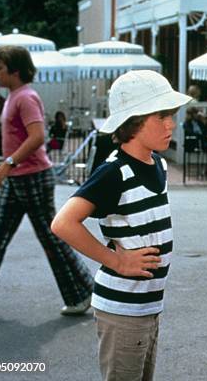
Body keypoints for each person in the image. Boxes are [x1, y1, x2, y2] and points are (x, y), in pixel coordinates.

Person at [51, 70, 192, 380]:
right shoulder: (114, 171)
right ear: (134, 120)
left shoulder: (158, 163)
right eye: (161, 116)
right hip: (122, 308)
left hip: (147, 305)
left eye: (171, 115)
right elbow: (63, 223)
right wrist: (116, 260)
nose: (171, 123)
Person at [0, 45, 93, 316]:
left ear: (15, 71)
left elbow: (37, 137)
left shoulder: (25, 97)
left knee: (51, 238)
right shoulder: (14, 96)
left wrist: (7, 165)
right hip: (21, 178)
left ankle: (83, 292)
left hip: (31, 178)